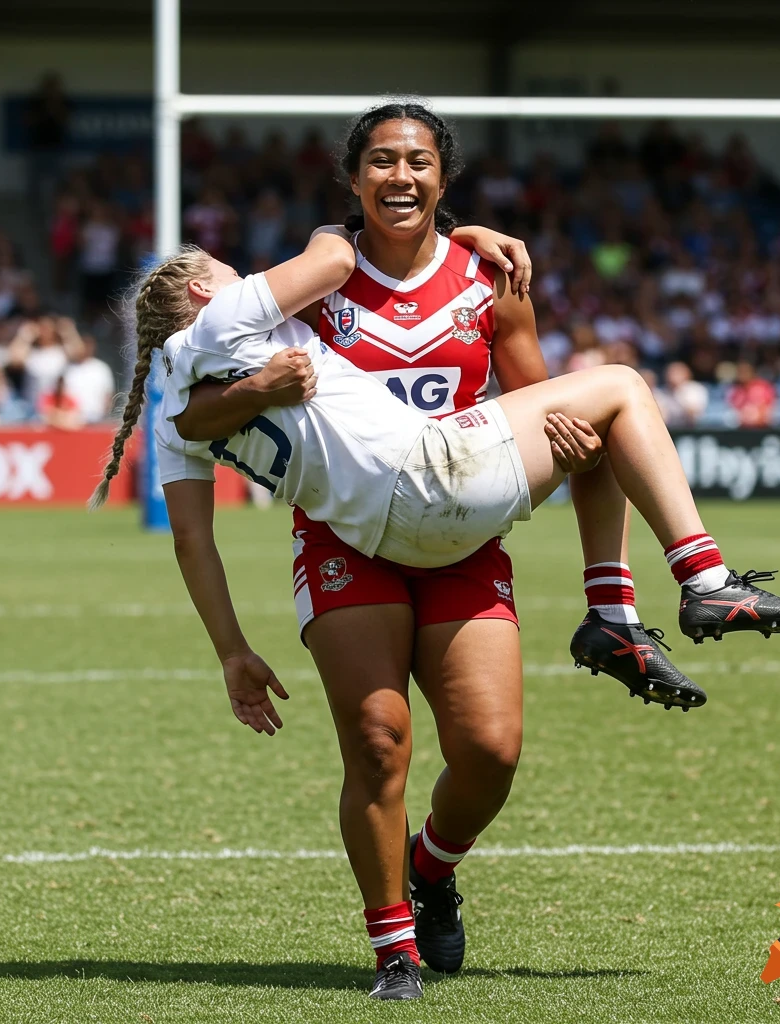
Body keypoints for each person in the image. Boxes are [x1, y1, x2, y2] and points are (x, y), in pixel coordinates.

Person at [90, 232, 780, 998]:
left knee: (488, 750)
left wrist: (232, 649)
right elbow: (338, 257)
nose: (246, 274)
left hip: (415, 508)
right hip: (423, 483)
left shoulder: (176, 397)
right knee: (625, 390)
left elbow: (191, 538)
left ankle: (428, 874)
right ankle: (680, 584)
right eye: (229, 271)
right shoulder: (227, 322)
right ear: (207, 294)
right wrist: (387, 237)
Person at [166, 105, 669, 991]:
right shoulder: (300, 288)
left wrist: (573, 440)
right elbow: (196, 408)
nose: (401, 177)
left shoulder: (491, 277)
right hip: (347, 539)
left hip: (461, 529)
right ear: (352, 177)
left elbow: (542, 399)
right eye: (383, 162)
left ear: (446, 177)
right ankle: (392, 947)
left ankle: (431, 869)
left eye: (421, 163)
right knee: (377, 739)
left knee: (490, 751)